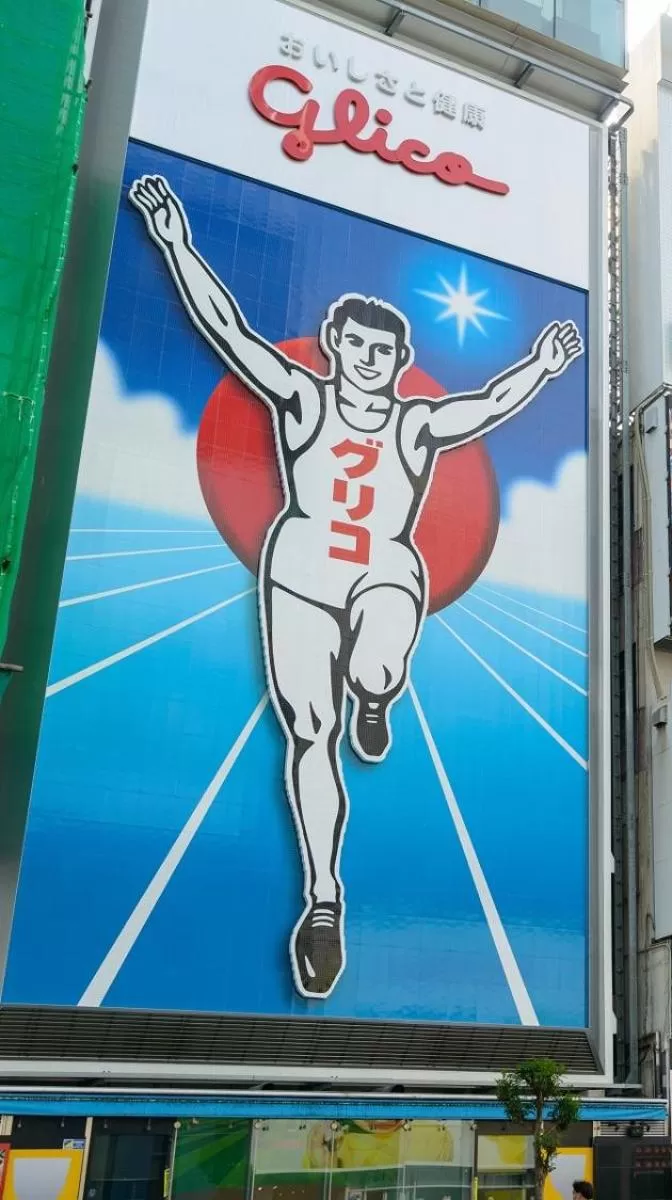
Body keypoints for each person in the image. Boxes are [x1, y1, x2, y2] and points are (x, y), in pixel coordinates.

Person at [129, 173, 583, 1000]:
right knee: (310, 733)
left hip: (381, 568)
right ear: (336, 349)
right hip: (299, 571)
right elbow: (227, 330)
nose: (370, 362)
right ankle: (324, 900)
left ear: (400, 363)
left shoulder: (414, 423)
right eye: (357, 348)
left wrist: (544, 367)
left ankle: (378, 689)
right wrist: (174, 242)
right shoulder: (302, 400)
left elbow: (484, 406)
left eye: (385, 353)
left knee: (377, 646)